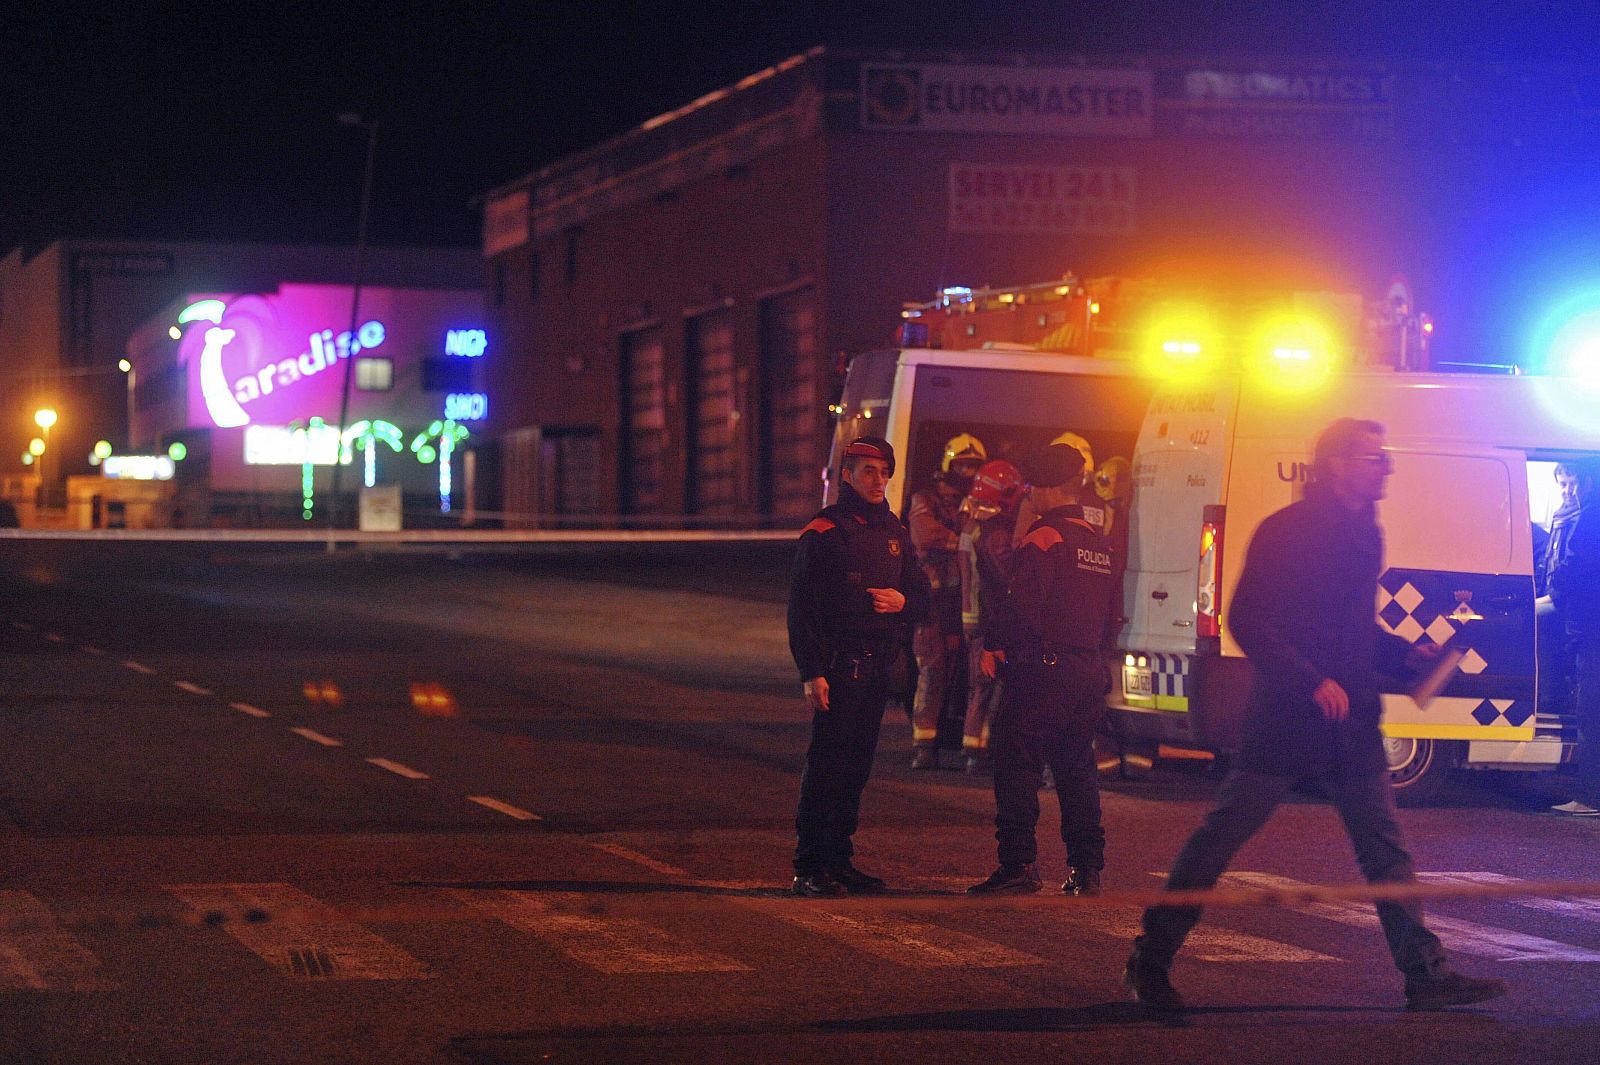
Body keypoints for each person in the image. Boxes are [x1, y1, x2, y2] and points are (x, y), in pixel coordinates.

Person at [1124, 418, 1508, 1013]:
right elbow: (1248, 619)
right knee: (1221, 836)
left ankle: (1425, 975)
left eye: (1383, 457)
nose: (1385, 467)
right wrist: (1311, 681)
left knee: (1385, 846)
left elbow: (1351, 627)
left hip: (1351, 724)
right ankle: (1150, 962)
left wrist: (1405, 652)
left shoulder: (1365, 533)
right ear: (1337, 464)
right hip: (1287, 720)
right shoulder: (1290, 531)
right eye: (1371, 458)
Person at [967, 443, 1117, 898]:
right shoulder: (1098, 543)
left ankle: (1018, 866)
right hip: (1087, 668)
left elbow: (1021, 607)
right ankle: (1086, 869)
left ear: (1048, 489)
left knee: (1016, 765)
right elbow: (1112, 614)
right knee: (1077, 768)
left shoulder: (1043, 538)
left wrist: (993, 643)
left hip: (1044, 671)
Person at [788, 436, 931, 897]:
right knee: (827, 767)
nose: (878, 479)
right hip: (838, 665)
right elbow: (802, 609)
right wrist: (812, 672)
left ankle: (839, 860)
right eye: (868, 471)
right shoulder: (824, 532)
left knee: (856, 769)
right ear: (846, 475)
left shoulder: (894, 532)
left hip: (876, 670)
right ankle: (811, 865)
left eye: (884, 471)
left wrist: (903, 601)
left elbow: (924, 596)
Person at [908, 435, 983, 769]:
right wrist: (962, 541)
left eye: (973, 465)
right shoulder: (925, 499)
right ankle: (925, 746)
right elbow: (924, 533)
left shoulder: (978, 501)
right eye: (962, 464)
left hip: (966, 600)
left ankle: (968, 744)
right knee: (933, 669)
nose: (967, 471)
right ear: (947, 465)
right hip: (933, 602)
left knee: (972, 675)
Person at [956, 459, 1023, 772]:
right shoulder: (994, 532)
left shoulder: (972, 524)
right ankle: (980, 754)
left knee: (980, 686)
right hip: (990, 619)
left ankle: (973, 750)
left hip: (975, 618)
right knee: (990, 685)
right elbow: (1004, 578)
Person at [1544, 460, 1600, 815]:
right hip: (1587, 626)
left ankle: (1591, 795)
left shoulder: (1590, 517)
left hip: (1591, 628)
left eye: (1574, 482)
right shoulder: (1575, 514)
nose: (1570, 490)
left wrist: (1553, 595)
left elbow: (1575, 568)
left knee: (1591, 713)